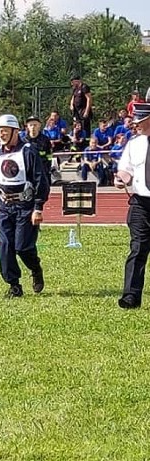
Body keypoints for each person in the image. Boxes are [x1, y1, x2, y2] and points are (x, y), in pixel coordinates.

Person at [0, 114, 50, 298]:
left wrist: (38, 207)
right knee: (5, 246)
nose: (2, 134)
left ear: (15, 131)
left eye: (5, 131)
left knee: (23, 247)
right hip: (5, 206)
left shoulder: (28, 151)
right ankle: (14, 285)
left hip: (25, 206)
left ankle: (35, 268)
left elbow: (39, 179)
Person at [113, 103, 150, 309]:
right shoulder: (134, 144)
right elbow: (126, 170)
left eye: (140, 121)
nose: (136, 125)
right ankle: (131, 296)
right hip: (141, 203)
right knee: (137, 249)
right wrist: (121, 179)